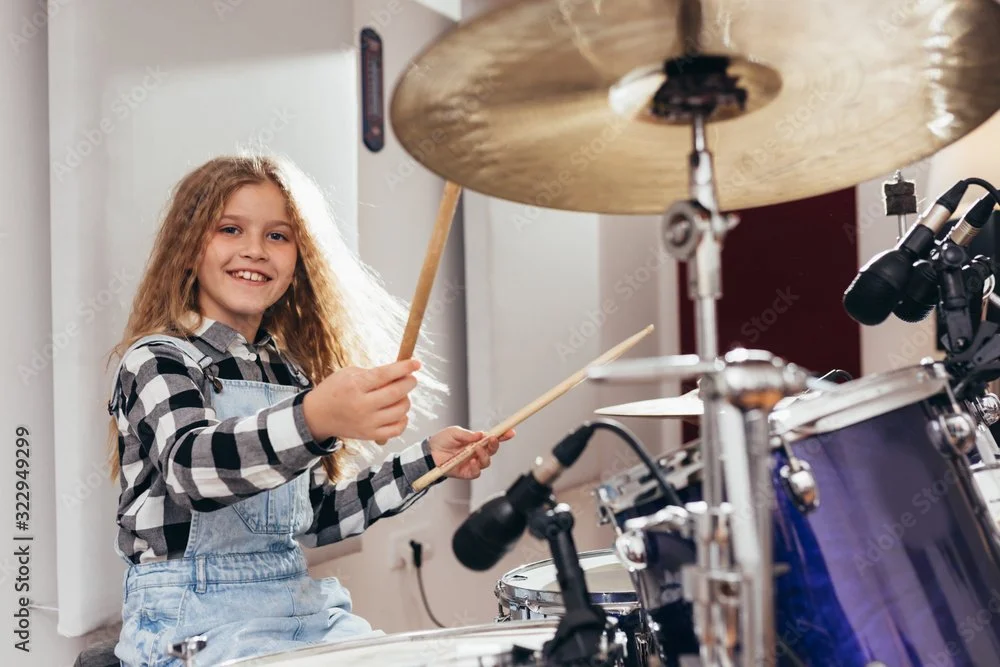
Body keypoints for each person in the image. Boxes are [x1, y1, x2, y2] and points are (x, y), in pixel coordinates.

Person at [103, 154, 514, 666]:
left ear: (299, 258)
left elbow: (313, 520)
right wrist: (315, 417)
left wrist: (427, 462)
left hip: (297, 604)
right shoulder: (159, 358)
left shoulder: (287, 373)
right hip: (189, 619)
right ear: (187, 249)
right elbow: (195, 471)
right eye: (231, 229)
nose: (255, 250)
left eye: (278, 236)